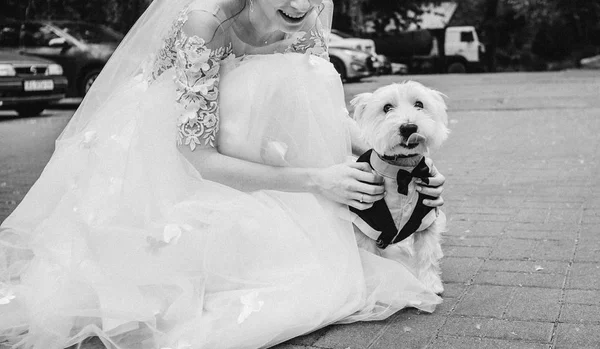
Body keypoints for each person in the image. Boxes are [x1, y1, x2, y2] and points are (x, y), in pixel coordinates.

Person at [0, 0, 446, 348]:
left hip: (266, 142)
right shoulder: (206, 23)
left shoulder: (310, 11)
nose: (299, 7)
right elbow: (198, 157)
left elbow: (324, 111)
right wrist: (317, 179)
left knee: (309, 74)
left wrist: (404, 161)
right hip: (176, 155)